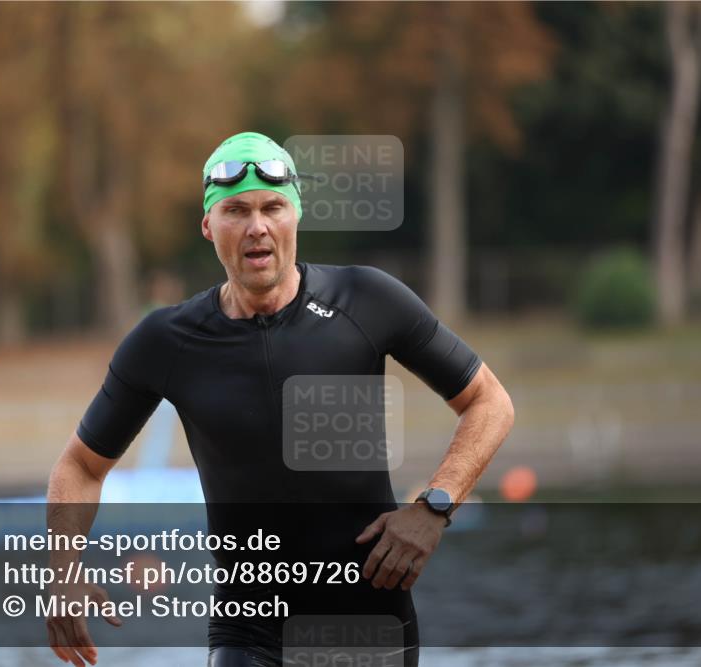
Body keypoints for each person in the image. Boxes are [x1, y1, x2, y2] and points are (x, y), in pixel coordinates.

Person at [45, 131, 515, 667]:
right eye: (235, 210)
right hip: (247, 632)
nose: (257, 225)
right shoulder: (166, 341)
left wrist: (433, 509)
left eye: (273, 207)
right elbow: (81, 465)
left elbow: (489, 402)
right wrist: (63, 573)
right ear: (208, 226)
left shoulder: (366, 300)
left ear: (296, 216)